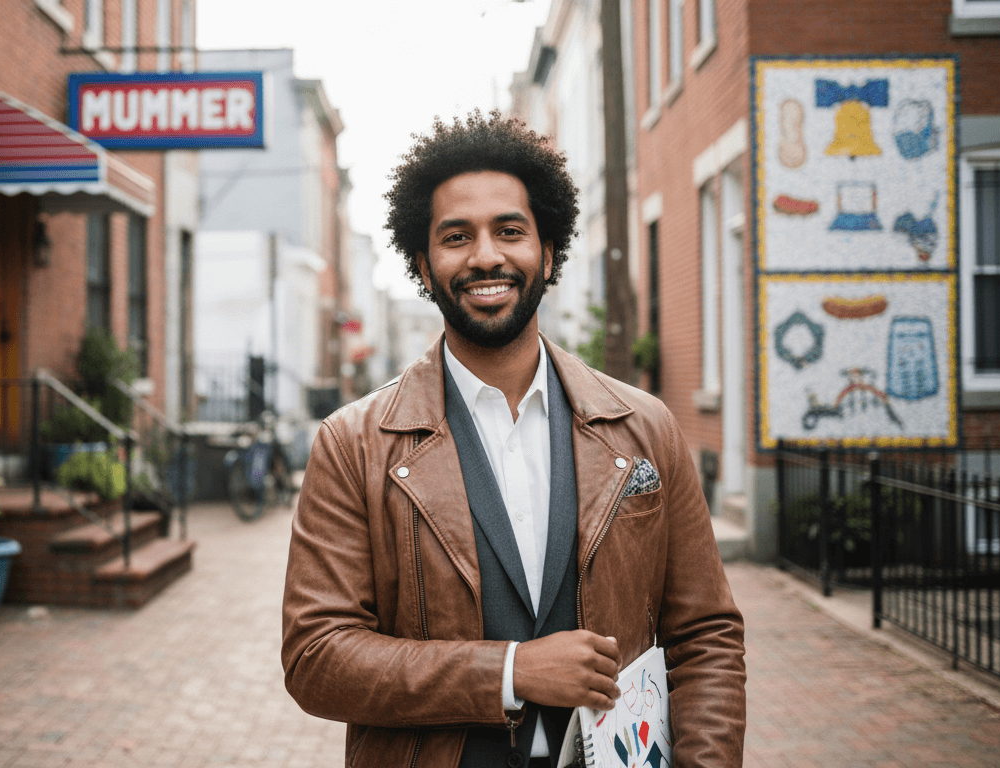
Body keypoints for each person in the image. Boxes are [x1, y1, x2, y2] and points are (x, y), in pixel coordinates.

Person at [281, 112, 746, 768]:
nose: (486, 256)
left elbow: (706, 638)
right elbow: (316, 657)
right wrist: (509, 671)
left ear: (548, 251)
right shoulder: (353, 445)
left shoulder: (645, 427)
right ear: (423, 262)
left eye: (510, 231)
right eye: (456, 236)